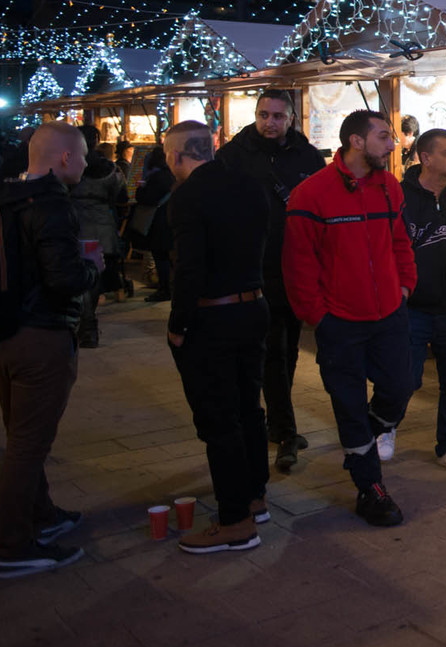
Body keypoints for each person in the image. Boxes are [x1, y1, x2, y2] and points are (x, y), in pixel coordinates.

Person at [282, 109, 415, 527]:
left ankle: (363, 440)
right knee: (349, 404)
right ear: (356, 142)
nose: (392, 144)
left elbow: (400, 242)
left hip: (389, 313)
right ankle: (370, 488)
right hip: (338, 321)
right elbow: (299, 264)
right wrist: (318, 316)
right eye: (383, 137)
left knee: (401, 386)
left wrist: (404, 287)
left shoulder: (390, 187)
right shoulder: (311, 194)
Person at [0, 122, 100, 579]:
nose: (87, 163)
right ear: (66, 157)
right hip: (38, 338)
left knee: (21, 436)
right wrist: (92, 268)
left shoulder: (0, 197)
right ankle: (14, 546)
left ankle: (43, 515)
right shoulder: (50, 204)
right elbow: (64, 280)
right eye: (83, 155)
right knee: (28, 446)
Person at [160, 122, 272, 553]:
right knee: (249, 408)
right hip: (253, 306)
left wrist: (178, 325)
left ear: (176, 155)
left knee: (219, 419)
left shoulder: (188, 196)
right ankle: (254, 496)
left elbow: (189, 268)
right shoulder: (249, 184)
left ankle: (234, 520)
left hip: (213, 316)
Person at [217, 89, 324, 472]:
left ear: (291, 118)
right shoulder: (234, 156)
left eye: (278, 116)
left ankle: (277, 423)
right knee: (271, 352)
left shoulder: (307, 156)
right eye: (264, 114)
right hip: (253, 269)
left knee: (287, 350)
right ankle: (284, 430)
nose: (270, 122)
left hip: (296, 267)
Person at [373, 128, 446, 474]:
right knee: (403, 378)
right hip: (410, 308)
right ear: (425, 158)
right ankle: (384, 427)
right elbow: (381, 248)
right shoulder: (398, 198)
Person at [69, 127, 127, 347]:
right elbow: (120, 196)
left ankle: (83, 323)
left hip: (75, 225)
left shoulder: (72, 165)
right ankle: (89, 325)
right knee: (94, 276)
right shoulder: (109, 169)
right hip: (102, 225)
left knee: (77, 275)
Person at [134, 146, 175, 302]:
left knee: (160, 255)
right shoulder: (172, 175)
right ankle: (169, 286)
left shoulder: (155, 177)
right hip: (169, 219)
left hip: (158, 221)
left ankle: (164, 288)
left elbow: (147, 198)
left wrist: (140, 189)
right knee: (167, 256)